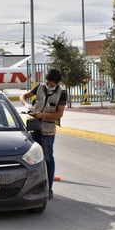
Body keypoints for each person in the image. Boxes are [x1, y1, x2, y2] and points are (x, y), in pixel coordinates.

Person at [19, 69, 67, 199]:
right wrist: (26, 104)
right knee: (32, 157)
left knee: (47, 158)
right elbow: (23, 96)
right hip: (34, 127)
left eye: (51, 84)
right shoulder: (39, 87)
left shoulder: (62, 94)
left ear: (57, 83)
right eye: (47, 82)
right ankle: (33, 186)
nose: (48, 85)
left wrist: (43, 115)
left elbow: (59, 114)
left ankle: (49, 188)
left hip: (47, 130)